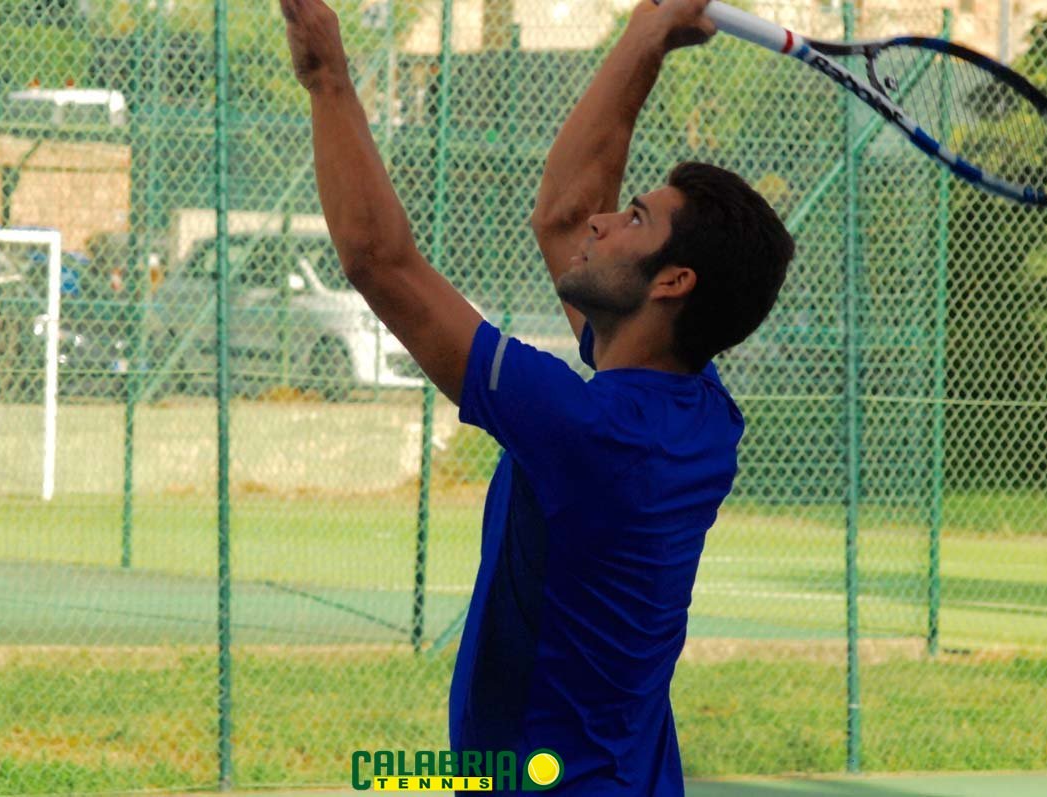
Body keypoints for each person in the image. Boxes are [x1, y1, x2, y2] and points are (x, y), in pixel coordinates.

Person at [280, 0, 794, 793]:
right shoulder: (698, 409)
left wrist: (327, 77)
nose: (601, 222)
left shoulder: (590, 433)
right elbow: (564, 216)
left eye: (633, 218)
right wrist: (646, 36)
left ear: (671, 282)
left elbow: (379, 261)